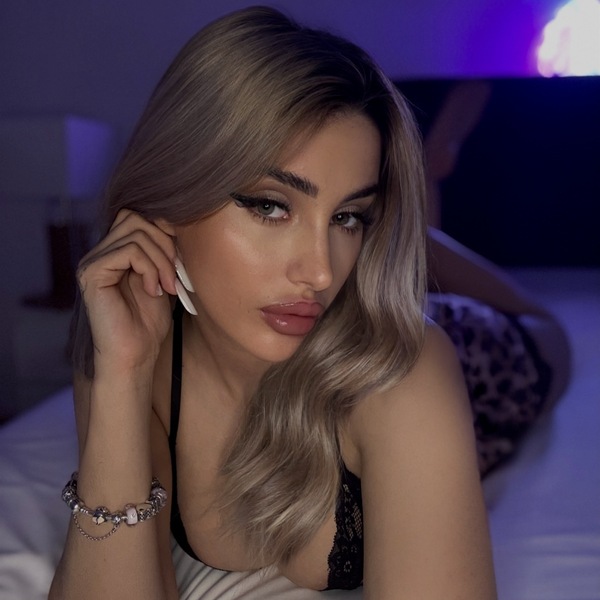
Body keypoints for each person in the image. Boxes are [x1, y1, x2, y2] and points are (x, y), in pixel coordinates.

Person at [49, 6, 499, 599]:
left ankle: (432, 181)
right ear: (169, 198)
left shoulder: (404, 372)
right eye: (270, 206)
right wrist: (122, 378)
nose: (320, 271)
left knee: (538, 324)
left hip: (490, 355)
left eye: (349, 217)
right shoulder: (129, 345)